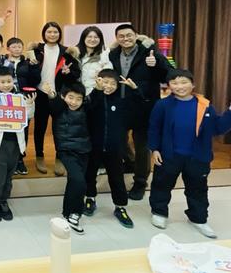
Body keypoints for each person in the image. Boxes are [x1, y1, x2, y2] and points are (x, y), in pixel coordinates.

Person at [148, 69, 231, 239]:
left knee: (198, 189)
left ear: (193, 84)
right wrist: (154, 148)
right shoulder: (163, 105)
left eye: (184, 82)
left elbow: (218, 128)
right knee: (162, 184)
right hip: (169, 155)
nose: (179, 86)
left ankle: (198, 218)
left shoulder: (205, 105)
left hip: (197, 156)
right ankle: (159, 212)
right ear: (169, 86)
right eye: (174, 83)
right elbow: (154, 128)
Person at [109, 23, 171, 201]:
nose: (125, 39)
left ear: (136, 36)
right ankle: (130, 162)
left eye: (129, 35)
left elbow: (167, 74)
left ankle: (140, 182)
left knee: (142, 146)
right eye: (121, 36)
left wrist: (156, 64)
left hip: (144, 106)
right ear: (117, 38)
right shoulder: (113, 54)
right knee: (118, 141)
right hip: (120, 105)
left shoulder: (149, 53)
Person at [83, 69, 136, 228]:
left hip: (115, 148)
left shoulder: (121, 101)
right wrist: (97, 92)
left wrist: (135, 90)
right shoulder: (92, 98)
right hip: (93, 146)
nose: (109, 86)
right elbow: (88, 109)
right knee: (90, 174)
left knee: (117, 178)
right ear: (98, 81)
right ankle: (90, 198)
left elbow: (138, 110)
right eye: (105, 82)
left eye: (113, 83)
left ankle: (120, 207)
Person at [0, 67, 36, 222]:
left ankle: (3, 201)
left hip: (15, 142)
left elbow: (28, 116)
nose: (6, 85)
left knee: (8, 176)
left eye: (9, 81)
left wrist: (30, 104)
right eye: (2, 82)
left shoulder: (19, 96)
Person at [31, 21, 81, 176]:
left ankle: (60, 157)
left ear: (59, 34)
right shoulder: (36, 50)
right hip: (41, 93)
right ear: (44, 34)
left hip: (59, 95)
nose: (52, 35)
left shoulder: (67, 52)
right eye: (49, 32)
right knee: (40, 127)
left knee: (59, 128)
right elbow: (29, 71)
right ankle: (39, 156)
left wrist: (68, 73)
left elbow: (76, 74)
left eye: (55, 32)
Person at [42, 81, 91, 234]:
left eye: (78, 99)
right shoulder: (59, 108)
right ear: (63, 97)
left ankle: (67, 212)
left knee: (74, 181)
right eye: (71, 97)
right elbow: (54, 103)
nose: (74, 102)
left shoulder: (86, 108)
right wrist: (52, 95)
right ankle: (75, 213)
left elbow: (95, 101)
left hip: (85, 149)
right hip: (66, 150)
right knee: (79, 181)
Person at [4, 37, 41, 175]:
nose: (17, 49)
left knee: (23, 130)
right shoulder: (3, 62)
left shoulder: (27, 62)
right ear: (8, 48)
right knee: (8, 131)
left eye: (19, 46)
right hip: (6, 100)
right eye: (13, 46)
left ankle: (20, 159)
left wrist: (34, 67)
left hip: (24, 100)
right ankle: (9, 160)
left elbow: (36, 81)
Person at [77, 26, 113, 95]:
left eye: (96, 37)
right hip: (77, 94)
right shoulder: (76, 54)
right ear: (83, 38)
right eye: (89, 37)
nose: (92, 40)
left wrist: (102, 74)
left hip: (95, 93)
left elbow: (108, 74)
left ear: (100, 39)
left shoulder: (104, 55)